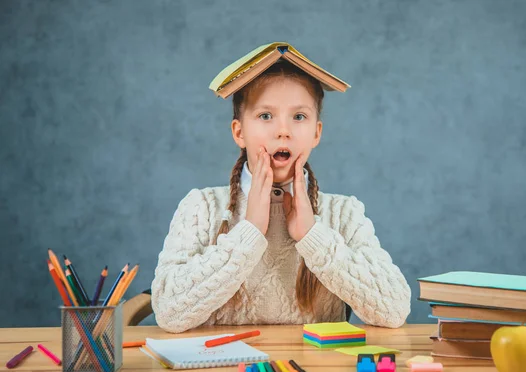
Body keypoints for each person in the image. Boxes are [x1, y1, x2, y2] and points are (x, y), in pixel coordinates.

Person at [151, 43, 411, 333]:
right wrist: (250, 230)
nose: (283, 130)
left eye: (299, 116)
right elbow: (168, 313)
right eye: (265, 116)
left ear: (316, 133)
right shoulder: (201, 207)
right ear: (239, 132)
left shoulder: (344, 212)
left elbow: (394, 309)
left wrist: (313, 235)